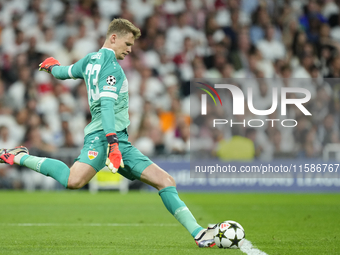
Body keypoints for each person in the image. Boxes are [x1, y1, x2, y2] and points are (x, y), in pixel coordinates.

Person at [0, 18, 215, 248]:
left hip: (117, 139)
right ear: (113, 38)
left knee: (165, 181)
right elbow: (107, 106)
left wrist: (52, 67)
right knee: (73, 181)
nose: (130, 49)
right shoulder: (112, 68)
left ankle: (198, 233)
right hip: (105, 138)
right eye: (127, 43)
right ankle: (20, 155)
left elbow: (65, 72)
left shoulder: (89, 60)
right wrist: (112, 144)